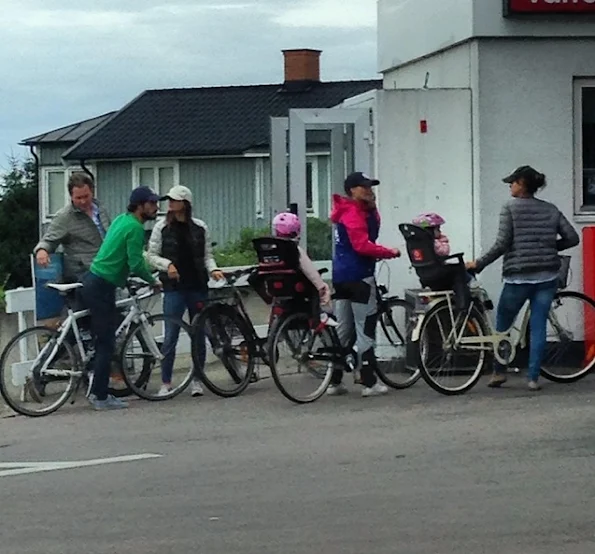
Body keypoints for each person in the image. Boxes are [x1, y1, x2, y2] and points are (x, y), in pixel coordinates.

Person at [466, 166, 579, 391]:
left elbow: (501, 244)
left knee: (503, 323)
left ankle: (499, 372)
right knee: (538, 326)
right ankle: (533, 378)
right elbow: (572, 237)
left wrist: (479, 263)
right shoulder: (551, 209)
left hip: (518, 277)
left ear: (522, 184)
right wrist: (549, 248)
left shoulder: (510, 207)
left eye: (513, 182)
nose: (510, 186)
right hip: (547, 276)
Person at [80, 186, 161, 410]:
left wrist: (124, 277)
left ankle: (97, 388)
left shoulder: (121, 220)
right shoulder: (134, 228)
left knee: (103, 338)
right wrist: (153, 281)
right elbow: (135, 262)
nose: (156, 208)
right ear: (140, 205)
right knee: (106, 342)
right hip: (102, 286)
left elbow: (117, 254)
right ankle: (100, 396)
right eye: (152, 203)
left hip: (95, 280)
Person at [145, 185, 224, 397]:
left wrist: (213, 269)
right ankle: (166, 381)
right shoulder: (161, 227)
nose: (170, 204)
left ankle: (197, 379)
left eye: (174, 200)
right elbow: (151, 255)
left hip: (197, 285)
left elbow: (207, 254)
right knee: (170, 334)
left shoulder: (200, 228)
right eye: (169, 200)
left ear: (185, 203)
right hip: (173, 289)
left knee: (198, 334)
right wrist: (167, 265)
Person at [327, 172, 400, 397]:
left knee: (343, 330)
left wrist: (373, 207)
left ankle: (335, 381)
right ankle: (369, 382)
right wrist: (389, 252)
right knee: (365, 329)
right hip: (360, 276)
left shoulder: (347, 211)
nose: (369, 190)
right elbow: (362, 245)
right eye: (364, 187)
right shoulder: (353, 213)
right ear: (352, 191)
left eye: (371, 186)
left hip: (340, 276)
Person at [34, 172, 110, 283]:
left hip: (107, 269)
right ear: (71, 196)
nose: (83, 201)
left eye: (86, 196)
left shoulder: (101, 209)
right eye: (78, 198)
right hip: (84, 275)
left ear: (92, 192)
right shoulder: (64, 217)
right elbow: (48, 240)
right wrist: (42, 250)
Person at [271, 211, 332, 308]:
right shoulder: (294, 249)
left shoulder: (271, 249)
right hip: (297, 289)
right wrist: (321, 287)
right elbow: (309, 270)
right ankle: (321, 316)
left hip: (275, 290)